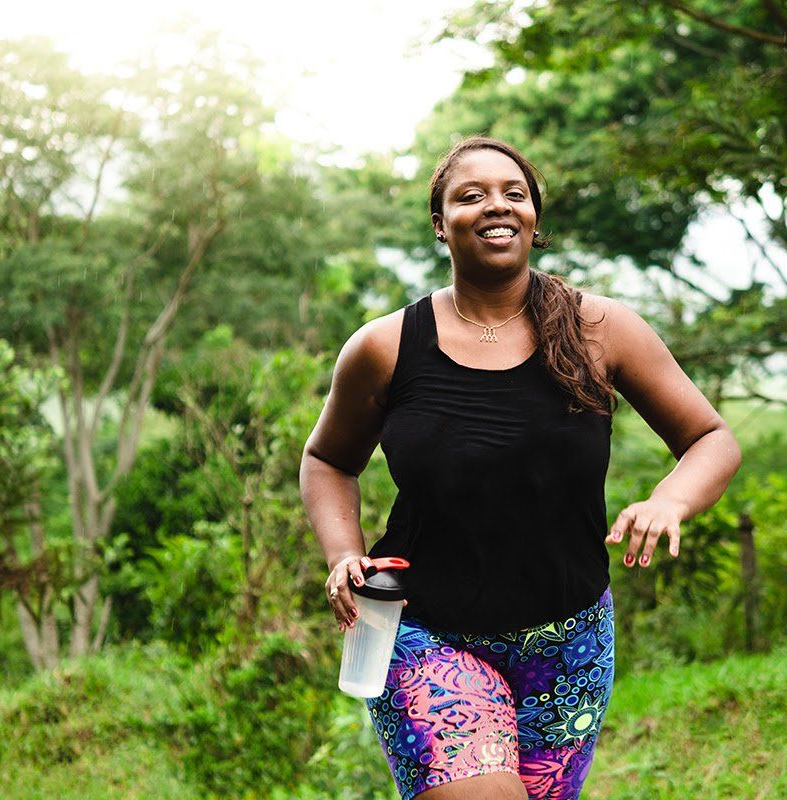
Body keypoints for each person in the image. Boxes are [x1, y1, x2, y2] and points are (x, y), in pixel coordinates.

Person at [299, 135, 742, 800]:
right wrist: (343, 553)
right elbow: (328, 459)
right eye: (471, 195)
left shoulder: (601, 329)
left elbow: (710, 438)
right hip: (423, 630)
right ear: (440, 224)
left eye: (514, 193)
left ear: (534, 217)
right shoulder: (385, 347)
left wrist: (669, 501)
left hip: (569, 642)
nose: (497, 205)